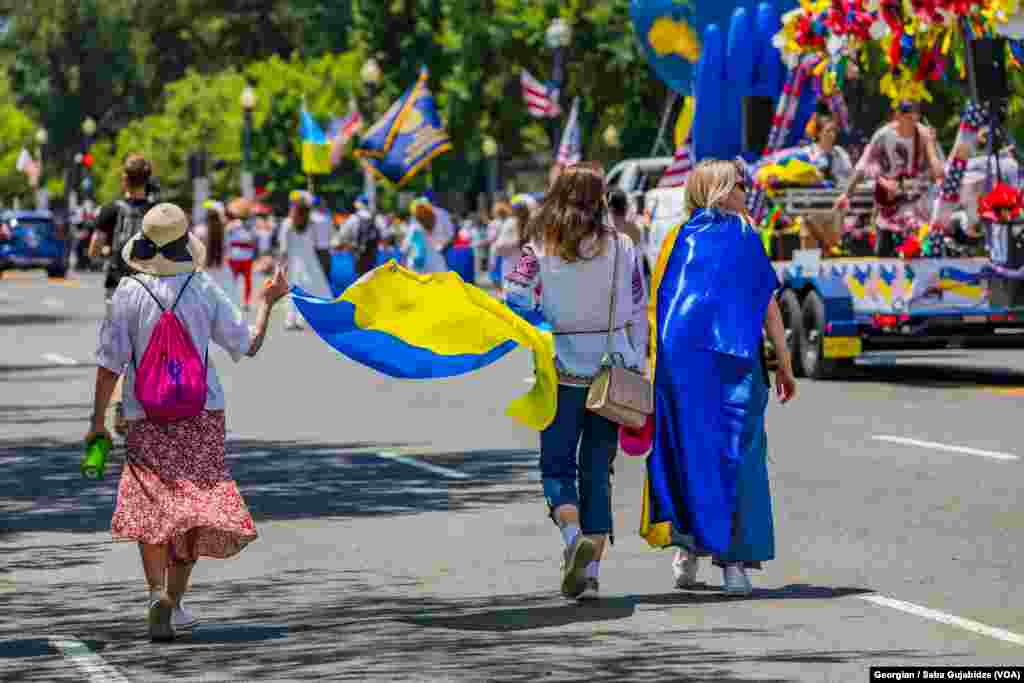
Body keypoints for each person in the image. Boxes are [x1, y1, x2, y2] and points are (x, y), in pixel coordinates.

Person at [86, 202, 290, 642]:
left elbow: (108, 365)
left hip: (145, 413)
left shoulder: (127, 292)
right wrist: (268, 303)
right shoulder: (202, 288)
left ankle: (156, 594)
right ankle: (175, 603)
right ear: (184, 246)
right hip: (201, 412)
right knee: (194, 505)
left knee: (152, 504)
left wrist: (97, 421)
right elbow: (247, 344)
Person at [644, 159, 796, 596]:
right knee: (738, 459)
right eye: (738, 184)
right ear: (718, 191)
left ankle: (689, 551)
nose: (746, 190)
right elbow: (766, 303)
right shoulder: (745, 234)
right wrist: (782, 361)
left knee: (690, 455)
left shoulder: (677, 239)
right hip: (733, 366)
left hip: (682, 368)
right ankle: (732, 565)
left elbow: (662, 305)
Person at [504, 163, 648, 601]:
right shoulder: (624, 247)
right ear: (602, 199)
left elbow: (514, 295)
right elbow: (639, 307)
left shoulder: (538, 246)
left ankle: (572, 540)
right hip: (612, 371)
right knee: (598, 470)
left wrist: (540, 318)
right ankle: (594, 570)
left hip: (562, 368)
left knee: (558, 465)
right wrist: (636, 362)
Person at [87, 154, 157, 436]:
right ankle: (134, 406)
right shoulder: (157, 211)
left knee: (118, 349)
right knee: (143, 348)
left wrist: (104, 254)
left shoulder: (110, 210)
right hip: (150, 287)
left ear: (124, 179)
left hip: (117, 286)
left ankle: (118, 406)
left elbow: (94, 249)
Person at [835, 100, 945, 257]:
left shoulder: (923, 133)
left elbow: (933, 160)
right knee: (883, 253)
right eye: (908, 117)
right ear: (897, 116)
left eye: (915, 117)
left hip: (915, 198)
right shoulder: (883, 135)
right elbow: (862, 164)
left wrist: (939, 172)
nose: (912, 122)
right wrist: (846, 194)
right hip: (888, 200)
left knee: (917, 249)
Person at [279, 191, 332, 330]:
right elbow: (319, 245)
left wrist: (281, 265)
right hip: (310, 261)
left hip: (292, 261)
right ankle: (303, 318)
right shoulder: (313, 223)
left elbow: (283, 247)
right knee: (310, 290)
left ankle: (290, 319)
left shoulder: (287, 223)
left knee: (292, 290)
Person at [801, 114, 854, 253]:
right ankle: (808, 271)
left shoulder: (840, 153)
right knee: (808, 239)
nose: (832, 134)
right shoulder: (808, 154)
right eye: (828, 131)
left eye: (834, 131)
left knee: (833, 243)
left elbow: (850, 177)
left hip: (834, 205)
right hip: (812, 205)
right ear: (818, 133)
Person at [192, 201, 240, 308]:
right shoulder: (224, 231)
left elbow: (194, 252)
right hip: (223, 271)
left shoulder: (199, 231)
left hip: (203, 273)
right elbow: (228, 252)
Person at [336, 194, 381, 277]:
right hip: (372, 254)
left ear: (358, 204)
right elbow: (383, 233)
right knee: (370, 277)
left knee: (360, 277)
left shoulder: (354, 218)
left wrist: (342, 244)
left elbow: (343, 234)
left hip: (358, 253)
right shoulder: (375, 218)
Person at [225, 199, 258, 311]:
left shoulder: (251, 225)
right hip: (234, 257)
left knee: (247, 281)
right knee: (232, 280)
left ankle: (246, 302)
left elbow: (254, 241)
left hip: (246, 257)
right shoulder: (233, 225)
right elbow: (227, 238)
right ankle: (230, 299)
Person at [401, 200, 447, 274]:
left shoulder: (415, 228)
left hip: (418, 266)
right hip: (436, 265)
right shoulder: (437, 226)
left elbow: (405, 247)